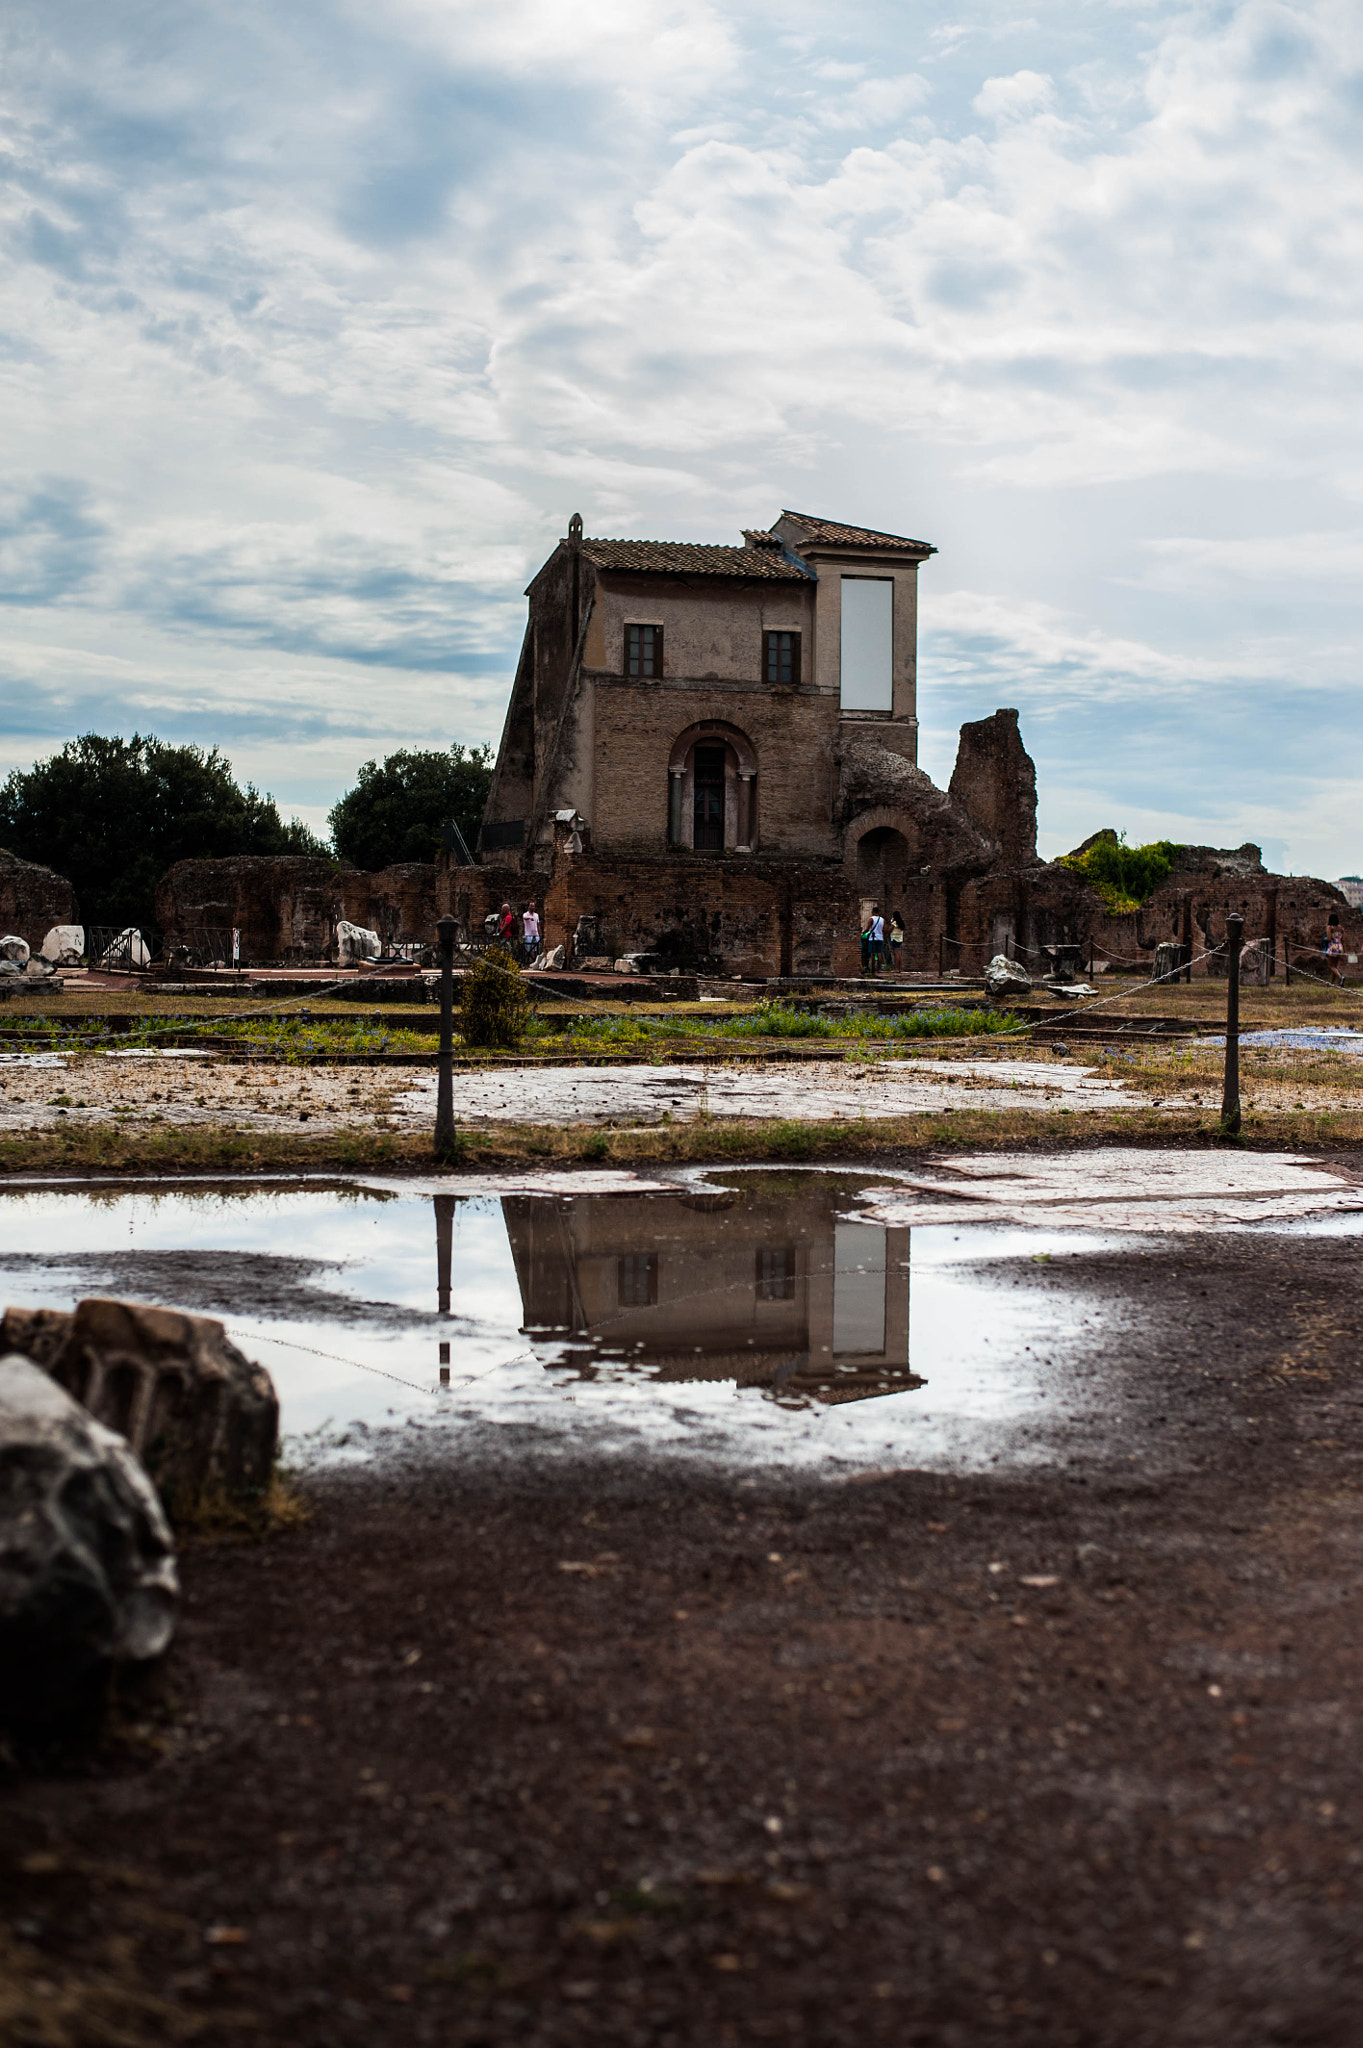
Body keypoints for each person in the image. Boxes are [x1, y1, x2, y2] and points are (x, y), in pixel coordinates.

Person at [1324, 912, 1345, 985]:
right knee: (1335, 966)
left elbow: (1329, 938)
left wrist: (1324, 939)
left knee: (1331, 966)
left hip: (1333, 947)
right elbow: (1343, 939)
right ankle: (1331, 983)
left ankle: (1340, 977)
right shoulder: (1341, 928)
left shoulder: (1330, 927)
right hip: (1339, 947)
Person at [868, 905, 885, 973]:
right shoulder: (882, 920)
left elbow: (867, 928)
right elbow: (884, 929)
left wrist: (863, 932)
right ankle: (879, 969)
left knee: (872, 953)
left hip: (872, 938)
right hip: (880, 938)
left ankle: (872, 968)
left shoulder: (871, 919)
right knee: (879, 953)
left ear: (872, 912)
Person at [888, 910, 904, 975]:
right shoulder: (901, 922)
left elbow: (890, 930)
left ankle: (896, 968)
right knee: (899, 953)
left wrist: (891, 922)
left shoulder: (894, 922)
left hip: (894, 938)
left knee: (896, 954)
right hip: (900, 938)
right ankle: (899, 968)